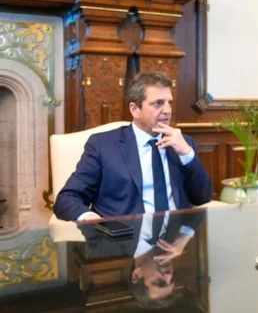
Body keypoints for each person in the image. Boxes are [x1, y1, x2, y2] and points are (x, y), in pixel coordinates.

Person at [54, 72, 212, 221]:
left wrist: (187, 154)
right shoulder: (103, 145)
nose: (167, 111)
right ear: (135, 109)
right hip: (125, 242)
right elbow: (67, 198)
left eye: (169, 103)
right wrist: (90, 218)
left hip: (176, 241)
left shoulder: (183, 143)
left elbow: (202, 198)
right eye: (158, 104)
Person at [78, 211, 205, 309]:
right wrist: (186, 234)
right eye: (172, 279)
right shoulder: (178, 235)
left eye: (160, 282)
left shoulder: (113, 241)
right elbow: (200, 197)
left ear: (136, 275)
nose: (168, 275)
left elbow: (78, 209)